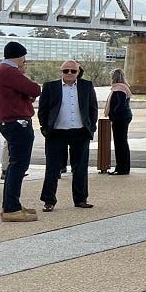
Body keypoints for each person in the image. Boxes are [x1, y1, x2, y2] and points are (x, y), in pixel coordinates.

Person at [38, 60, 98, 211]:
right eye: (66, 71)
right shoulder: (50, 87)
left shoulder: (87, 86)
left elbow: (93, 108)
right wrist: (45, 128)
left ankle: (80, 199)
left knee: (80, 168)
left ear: (78, 72)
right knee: (52, 168)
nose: (69, 74)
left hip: (80, 132)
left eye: (73, 71)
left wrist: (91, 126)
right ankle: (48, 200)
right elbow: (43, 110)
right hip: (56, 133)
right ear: (61, 72)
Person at [0, 41, 41, 222]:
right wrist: (27, 87)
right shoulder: (9, 72)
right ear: (19, 56)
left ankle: (11, 203)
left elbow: (24, 93)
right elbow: (34, 89)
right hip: (18, 124)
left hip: (10, 123)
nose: (25, 61)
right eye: (24, 57)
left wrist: (25, 94)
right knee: (18, 166)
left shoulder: (2, 72)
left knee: (15, 165)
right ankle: (11, 208)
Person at [105, 69, 134, 176]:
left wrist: (113, 114)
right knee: (122, 142)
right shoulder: (124, 87)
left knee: (120, 143)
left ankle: (121, 168)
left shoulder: (119, 89)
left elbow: (120, 105)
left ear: (114, 77)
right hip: (125, 117)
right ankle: (123, 167)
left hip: (120, 118)